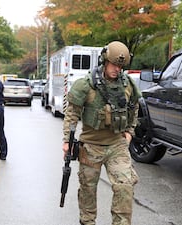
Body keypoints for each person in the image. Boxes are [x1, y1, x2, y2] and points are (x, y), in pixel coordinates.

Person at [62, 41, 141, 225]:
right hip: (90, 146)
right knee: (88, 189)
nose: (116, 69)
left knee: (125, 186)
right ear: (104, 61)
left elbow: (134, 107)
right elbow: (72, 113)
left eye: (120, 66)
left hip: (117, 145)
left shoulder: (127, 85)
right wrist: (67, 141)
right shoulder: (86, 85)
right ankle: (87, 221)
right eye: (113, 64)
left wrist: (129, 132)